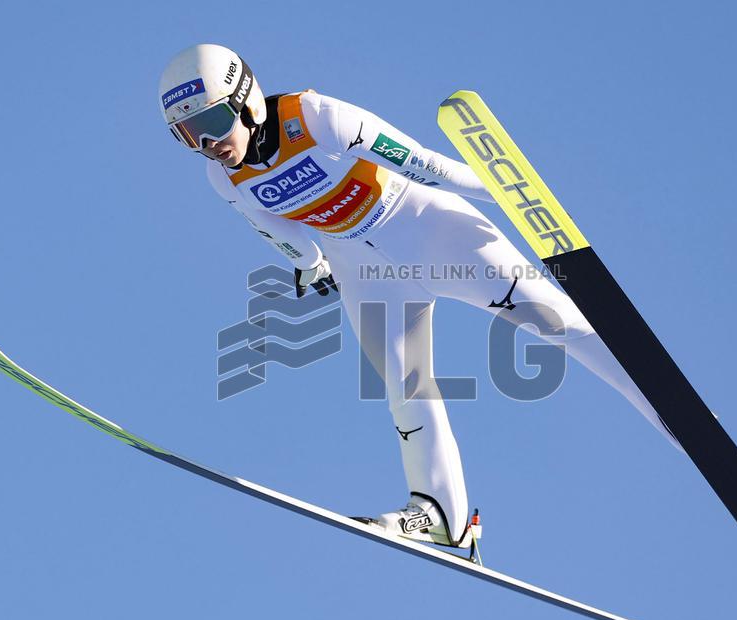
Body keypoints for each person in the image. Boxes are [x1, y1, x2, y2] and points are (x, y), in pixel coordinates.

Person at [159, 44, 679, 549]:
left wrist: (507, 192)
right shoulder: (224, 177)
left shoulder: (316, 117)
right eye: (187, 136)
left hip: (428, 230)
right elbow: (277, 231)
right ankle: (441, 515)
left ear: (246, 101)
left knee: (552, 319)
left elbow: (423, 163)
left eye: (210, 125)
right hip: (362, 269)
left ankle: (674, 412)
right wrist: (310, 266)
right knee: (404, 385)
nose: (207, 145)